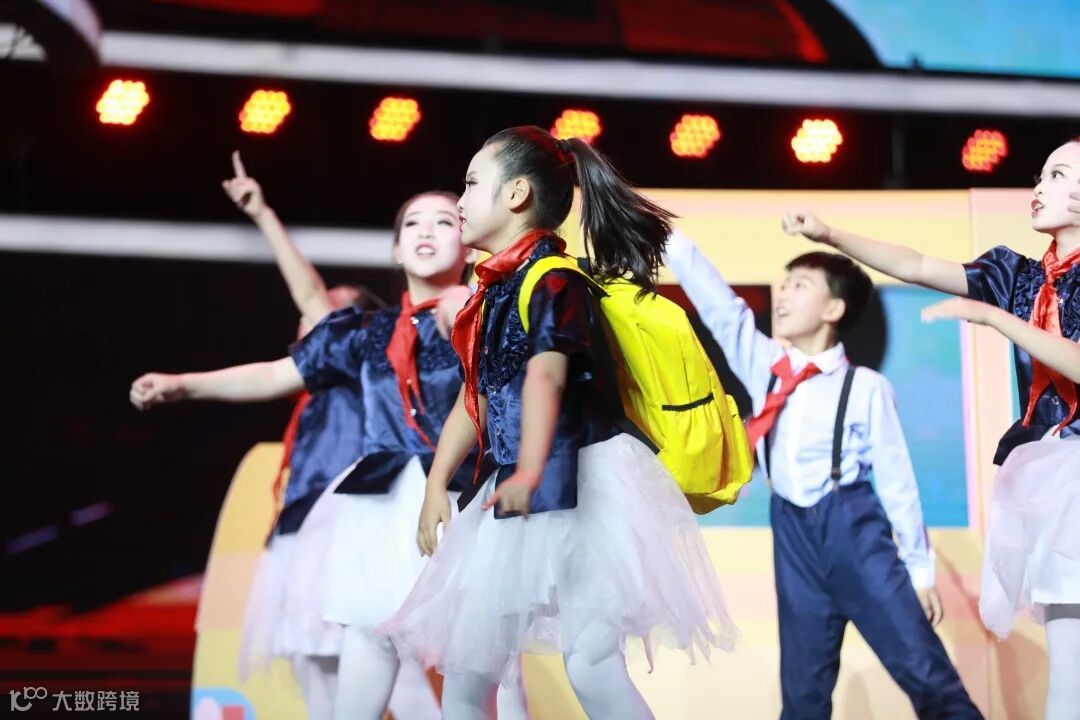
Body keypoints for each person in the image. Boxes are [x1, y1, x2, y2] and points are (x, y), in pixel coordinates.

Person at [378, 126, 736, 720]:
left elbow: (547, 374)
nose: (460, 201)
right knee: (467, 675)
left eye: (471, 185)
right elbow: (477, 395)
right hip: (513, 483)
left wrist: (531, 470)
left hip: (578, 481)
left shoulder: (554, 280)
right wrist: (438, 482)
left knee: (592, 665)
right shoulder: (494, 290)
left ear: (516, 194)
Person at [131, 177, 480, 720]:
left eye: (443, 221)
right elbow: (277, 374)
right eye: (412, 223)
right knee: (368, 638)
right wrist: (183, 385)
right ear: (395, 248)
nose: (426, 232)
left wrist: (476, 303)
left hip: (461, 496)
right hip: (381, 503)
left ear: (470, 244)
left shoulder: (486, 314)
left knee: (477, 660)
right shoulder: (363, 332)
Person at [784, 136, 1080, 720]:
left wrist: (992, 317)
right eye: (1041, 174)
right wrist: (831, 236)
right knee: (1069, 671)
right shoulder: (1017, 276)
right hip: (1053, 475)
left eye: (1058, 175)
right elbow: (916, 265)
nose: (1039, 187)